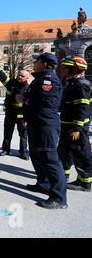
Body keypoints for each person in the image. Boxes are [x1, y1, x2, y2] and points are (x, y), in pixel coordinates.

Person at [19, 52, 67, 209]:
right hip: (36, 123)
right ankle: (43, 184)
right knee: (36, 155)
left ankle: (59, 198)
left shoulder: (49, 80)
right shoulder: (39, 79)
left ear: (45, 64)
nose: (34, 63)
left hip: (45, 125)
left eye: (37, 61)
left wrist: (24, 99)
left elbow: (43, 102)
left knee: (50, 159)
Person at [57, 56, 92, 192]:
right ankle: (62, 177)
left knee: (81, 154)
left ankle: (85, 182)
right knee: (64, 152)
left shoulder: (81, 84)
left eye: (65, 67)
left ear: (74, 69)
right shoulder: (71, 83)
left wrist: (77, 128)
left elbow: (82, 108)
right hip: (67, 125)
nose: (62, 69)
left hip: (76, 127)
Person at [0, 63, 30, 160]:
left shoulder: (29, 89)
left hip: (22, 116)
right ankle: (6, 149)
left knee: (23, 135)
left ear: (27, 78)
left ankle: (23, 152)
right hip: (10, 113)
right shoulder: (11, 84)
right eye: (19, 75)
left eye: (22, 76)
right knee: (7, 132)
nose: (19, 77)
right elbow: (3, 78)